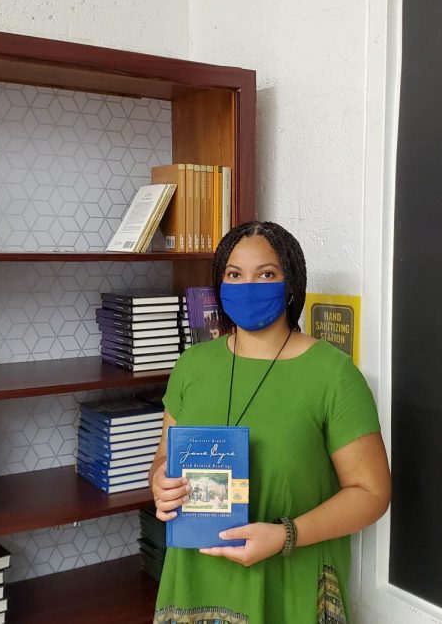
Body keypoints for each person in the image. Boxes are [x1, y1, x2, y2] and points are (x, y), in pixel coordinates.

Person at [150, 221, 391, 624]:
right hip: (194, 579)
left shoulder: (333, 374)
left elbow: (371, 493)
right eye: (234, 274)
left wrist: (285, 535)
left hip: (289, 583)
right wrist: (161, 483)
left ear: (291, 283)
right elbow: (162, 461)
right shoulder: (193, 365)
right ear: (219, 284)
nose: (248, 286)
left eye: (266, 274)